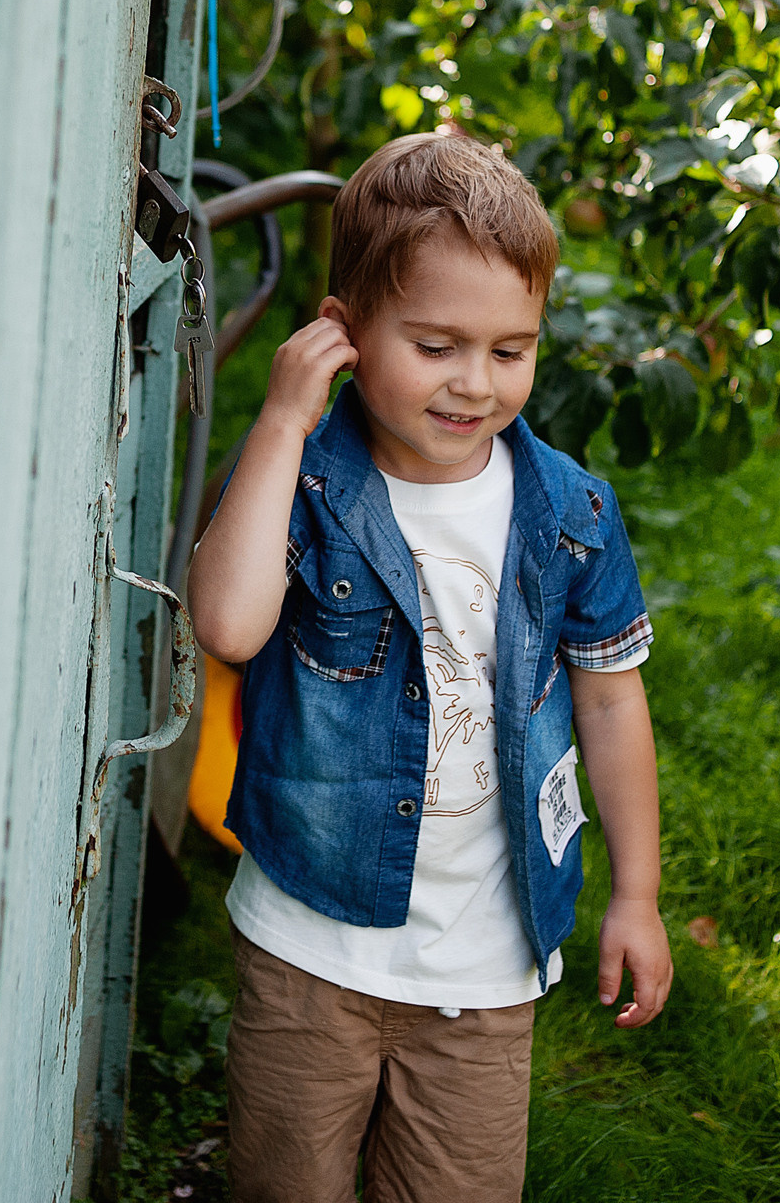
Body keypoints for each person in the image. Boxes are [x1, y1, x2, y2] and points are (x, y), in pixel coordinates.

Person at [189, 129, 671, 1203]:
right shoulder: (306, 484)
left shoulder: (572, 515)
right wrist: (279, 419)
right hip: (310, 945)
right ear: (344, 333)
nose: (474, 383)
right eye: (437, 345)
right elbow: (226, 626)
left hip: (487, 962)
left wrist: (634, 895)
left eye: (510, 350)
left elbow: (609, 701)